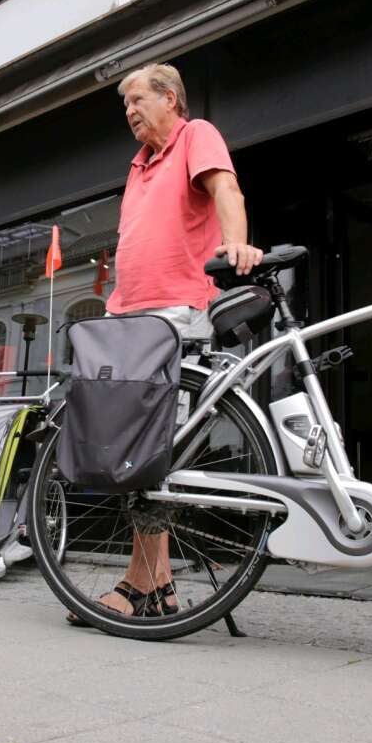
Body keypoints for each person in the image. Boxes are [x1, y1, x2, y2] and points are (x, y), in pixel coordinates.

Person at [76, 62, 262, 621]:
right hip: (128, 318)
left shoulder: (194, 134)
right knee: (132, 448)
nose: (130, 111)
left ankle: (140, 586)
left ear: (171, 99)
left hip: (175, 314)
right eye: (125, 104)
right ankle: (158, 587)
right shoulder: (138, 165)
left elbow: (225, 187)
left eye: (137, 99)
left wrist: (236, 245)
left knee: (154, 449)